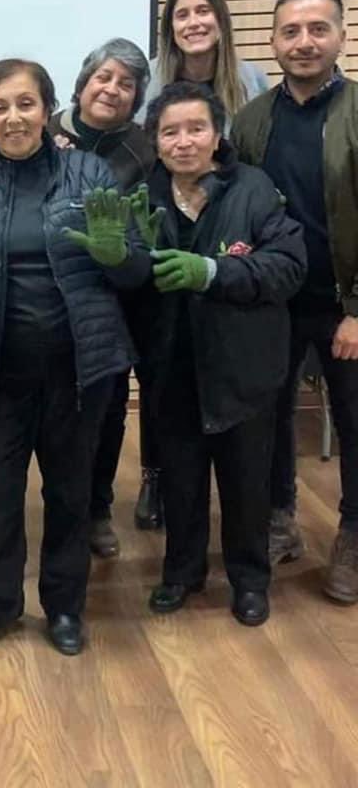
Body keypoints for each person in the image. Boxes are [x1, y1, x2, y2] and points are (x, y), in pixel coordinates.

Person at [0, 58, 148, 655]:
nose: (13, 117)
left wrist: (113, 253)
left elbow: (133, 271)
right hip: (4, 369)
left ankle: (64, 608)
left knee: (70, 492)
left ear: (47, 110)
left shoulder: (89, 173)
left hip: (83, 368)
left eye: (25, 103)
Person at [140, 82, 305, 625]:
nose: (183, 142)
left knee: (246, 482)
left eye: (195, 129)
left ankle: (250, 579)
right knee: (182, 479)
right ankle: (181, 574)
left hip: (244, 366)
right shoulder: (142, 195)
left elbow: (287, 266)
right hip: (172, 366)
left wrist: (214, 272)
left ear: (217, 136)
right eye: (170, 131)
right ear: (156, 140)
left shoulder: (254, 190)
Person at [232, 0, 358, 603]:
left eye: (317, 29)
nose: (304, 42)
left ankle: (353, 538)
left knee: (356, 424)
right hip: (273, 303)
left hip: (344, 306)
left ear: (339, 35)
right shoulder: (254, 118)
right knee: (268, 419)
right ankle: (279, 517)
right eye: (291, 31)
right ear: (274, 41)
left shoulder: (357, 109)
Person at [47, 37, 158, 547]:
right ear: (84, 81)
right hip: (50, 295)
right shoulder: (46, 130)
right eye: (104, 77)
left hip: (116, 300)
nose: (112, 89)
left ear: (136, 98)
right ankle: (59, 505)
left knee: (109, 407)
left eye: (126, 84)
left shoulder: (145, 146)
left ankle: (96, 508)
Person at [139, 0, 270, 130]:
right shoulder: (146, 80)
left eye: (203, 11)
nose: (193, 23)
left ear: (220, 20)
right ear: (171, 27)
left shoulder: (254, 80)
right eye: (182, 15)